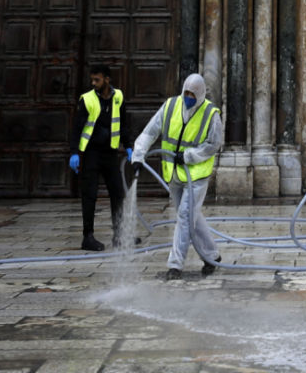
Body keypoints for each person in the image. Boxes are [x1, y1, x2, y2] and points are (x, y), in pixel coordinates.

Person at [131, 72, 224, 280]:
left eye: (193, 94)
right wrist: (138, 155)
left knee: (184, 216)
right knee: (193, 216)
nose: (189, 97)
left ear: (200, 94)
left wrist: (190, 156)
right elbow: (150, 132)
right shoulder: (171, 106)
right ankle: (213, 256)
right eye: (186, 92)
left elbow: (214, 144)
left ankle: (175, 265)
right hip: (173, 174)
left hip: (196, 176)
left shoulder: (211, 113)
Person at [69, 64, 129, 251]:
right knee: (90, 195)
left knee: (118, 194)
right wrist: (74, 153)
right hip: (90, 154)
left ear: (107, 79)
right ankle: (88, 237)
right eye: (92, 80)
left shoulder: (118, 97)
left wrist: (128, 147)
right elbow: (77, 128)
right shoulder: (86, 100)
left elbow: (124, 123)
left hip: (110, 153)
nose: (93, 83)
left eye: (97, 80)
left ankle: (119, 235)